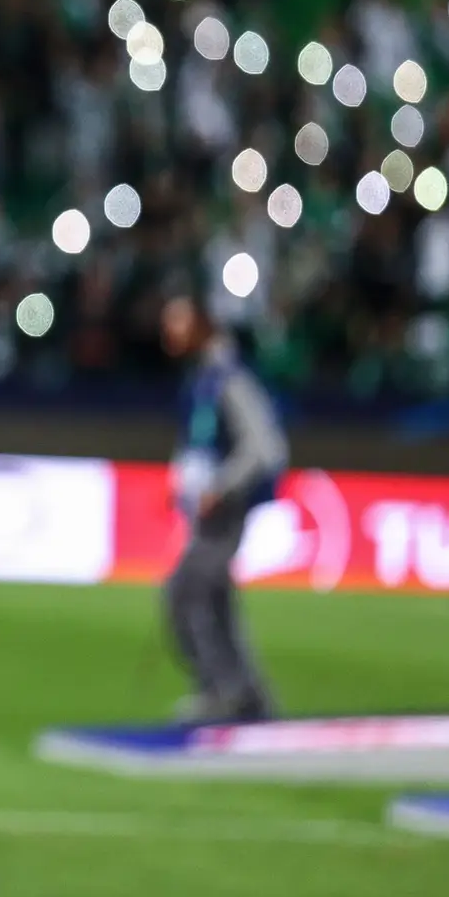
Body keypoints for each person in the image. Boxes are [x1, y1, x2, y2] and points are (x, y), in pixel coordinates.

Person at [160, 294, 287, 724]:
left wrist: (222, 486)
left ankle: (221, 691)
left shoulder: (230, 380)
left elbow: (265, 448)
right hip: (208, 509)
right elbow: (198, 444)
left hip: (226, 510)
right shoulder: (203, 380)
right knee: (212, 597)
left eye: (179, 323)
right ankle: (247, 694)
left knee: (188, 592)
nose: (170, 333)